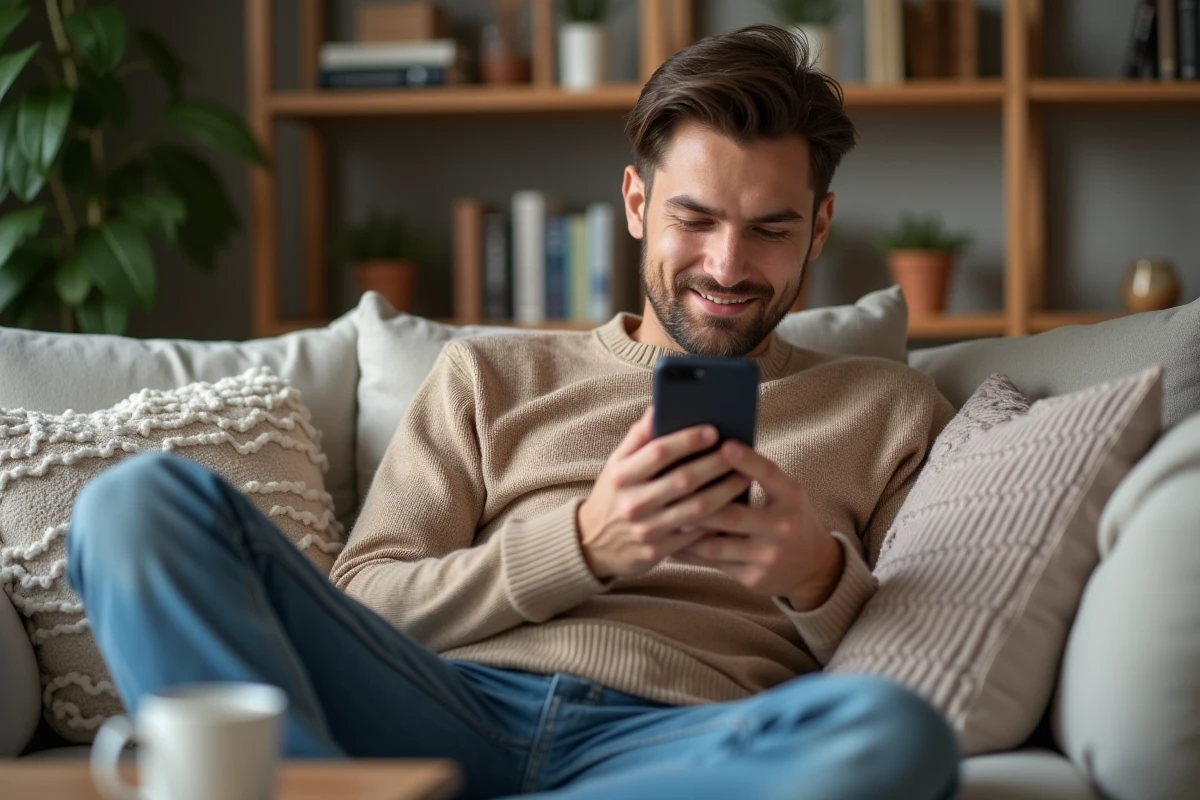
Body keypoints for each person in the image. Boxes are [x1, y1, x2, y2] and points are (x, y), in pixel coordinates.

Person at [69, 25, 960, 800]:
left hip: (684, 745)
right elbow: (367, 605)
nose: (728, 266)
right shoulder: (488, 375)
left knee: (897, 736)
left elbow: (930, 663)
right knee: (134, 503)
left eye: (770, 229)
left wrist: (815, 575)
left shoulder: (887, 408)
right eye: (695, 220)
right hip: (444, 708)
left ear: (820, 227)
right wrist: (582, 546)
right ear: (638, 205)